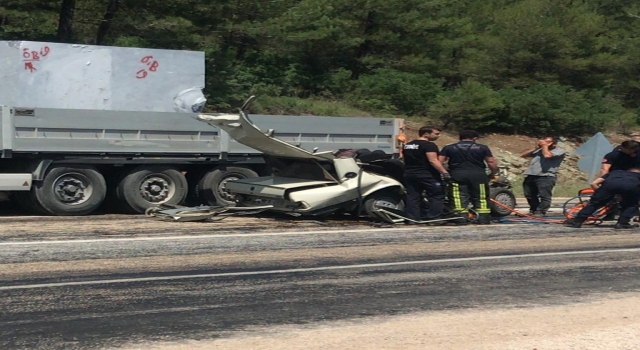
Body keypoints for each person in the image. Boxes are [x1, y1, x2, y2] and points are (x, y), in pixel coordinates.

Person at [439, 130, 499, 224]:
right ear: (474, 138)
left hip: (457, 174)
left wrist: (444, 172)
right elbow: (491, 162)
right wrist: (494, 172)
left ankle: (460, 218)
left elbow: (440, 161)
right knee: (481, 196)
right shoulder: (482, 148)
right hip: (478, 175)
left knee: (458, 196)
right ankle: (483, 218)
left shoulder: (449, 147)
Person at [564, 168, 640, 229]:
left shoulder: (614, 172)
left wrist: (601, 194)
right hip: (631, 186)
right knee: (631, 205)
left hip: (609, 185)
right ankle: (622, 223)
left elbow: (593, 183)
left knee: (594, 204)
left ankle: (577, 221)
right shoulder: (637, 176)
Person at [402, 126, 449, 223]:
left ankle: (412, 218)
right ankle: (434, 218)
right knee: (436, 195)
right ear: (426, 134)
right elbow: (433, 160)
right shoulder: (429, 145)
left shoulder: (408, 145)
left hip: (410, 174)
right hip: (427, 174)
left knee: (413, 196)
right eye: (436, 134)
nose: (438, 136)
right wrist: (444, 172)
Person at [520, 136, 566, 217]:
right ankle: (534, 209)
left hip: (546, 176)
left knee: (544, 195)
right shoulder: (539, 150)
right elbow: (522, 155)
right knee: (529, 194)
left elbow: (547, 155)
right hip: (532, 174)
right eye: (543, 142)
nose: (544, 144)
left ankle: (541, 211)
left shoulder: (559, 151)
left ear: (554, 144)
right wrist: (535, 148)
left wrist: (545, 146)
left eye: (547, 142)